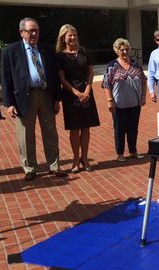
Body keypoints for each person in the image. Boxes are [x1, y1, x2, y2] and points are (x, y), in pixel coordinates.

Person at [1, 17, 67, 181]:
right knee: (25, 134)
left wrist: (57, 99)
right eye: (30, 31)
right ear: (21, 32)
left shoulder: (48, 49)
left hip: (45, 95)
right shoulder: (10, 51)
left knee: (50, 132)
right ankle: (30, 168)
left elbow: (53, 77)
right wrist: (9, 104)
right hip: (24, 98)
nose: (34, 34)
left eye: (36, 30)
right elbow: (6, 78)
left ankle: (54, 165)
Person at [55, 24, 100, 173]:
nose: (73, 37)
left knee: (86, 128)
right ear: (63, 37)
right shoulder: (60, 55)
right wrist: (76, 92)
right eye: (69, 35)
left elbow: (90, 72)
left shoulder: (84, 51)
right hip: (70, 95)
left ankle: (85, 158)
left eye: (74, 34)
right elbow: (61, 78)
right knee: (74, 130)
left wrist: (87, 90)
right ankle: (75, 159)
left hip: (86, 93)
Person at [102, 38, 146, 162]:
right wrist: (110, 100)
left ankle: (133, 151)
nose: (125, 52)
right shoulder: (112, 66)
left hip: (135, 103)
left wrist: (143, 96)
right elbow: (106, 84)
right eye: (122, 50)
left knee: (133, 129)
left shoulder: (135, 64)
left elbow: (143, 80)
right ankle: (120, 153)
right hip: (119, 105)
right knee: (120, 130)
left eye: (127, 49)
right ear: (116, 51)